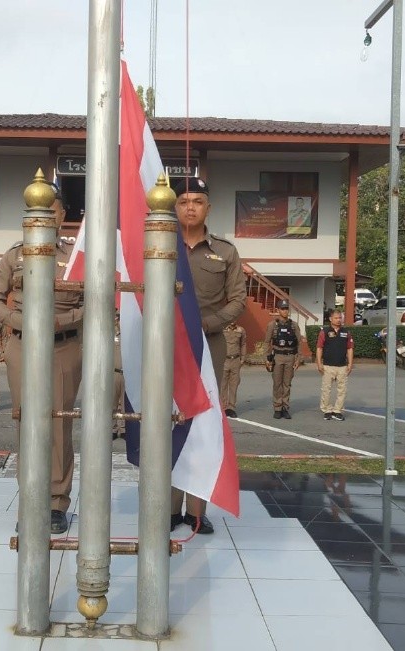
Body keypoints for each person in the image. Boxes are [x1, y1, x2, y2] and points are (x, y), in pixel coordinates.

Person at [0, 183, 83, 535]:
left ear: (62, 215)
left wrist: (61, 322)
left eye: (50, 211)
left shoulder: (77, 256)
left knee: (58, 424)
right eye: (35, 212)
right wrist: (17, 320)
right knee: (27, 422)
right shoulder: (15, 255)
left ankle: (56, 503)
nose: (43, 218)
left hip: (63, 347)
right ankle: (30, 501)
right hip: (23, 345)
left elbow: (95, 301)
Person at [171, 176, 247, 535]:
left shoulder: (225, 252)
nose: (190, 208)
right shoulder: (158, 244)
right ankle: (168, 508)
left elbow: (238, 300)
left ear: (208, 208)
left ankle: (196, 511)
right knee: (168, 421)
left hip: (207, 345)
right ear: (174, 206)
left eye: (197, 201)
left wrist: (206, 324)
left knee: (202, 422)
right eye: (184, 201)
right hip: (165, 345)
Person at [265, 299, 302, 419]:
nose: (285, 311)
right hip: (278, 357)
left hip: (290, 357)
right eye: (283, 309)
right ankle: (277, 407)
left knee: (287, 384)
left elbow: (299, 342)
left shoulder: (294, 325)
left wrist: (298, 359)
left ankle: (285, 407)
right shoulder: (272, 325)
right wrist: (267, 359)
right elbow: (267, 342)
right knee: (277, 384)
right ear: (278, 310)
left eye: (286, 309)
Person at [316, 307, 353, 421]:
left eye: (340, 318)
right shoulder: (324, 332)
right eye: (336, 318)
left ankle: (337, 410)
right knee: (326, 389)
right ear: (330, 319)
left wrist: (350, 364)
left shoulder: (346, 332)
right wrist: (319, 363)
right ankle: (327, 410)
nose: (338, 320)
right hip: (328, 366)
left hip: (342, 366)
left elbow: (350, 348)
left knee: (342, 390)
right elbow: (319, 348)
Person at [221, 321, 247, 418]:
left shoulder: (241, 330)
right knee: (223, 385)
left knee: (234, 385)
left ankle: (231, 408)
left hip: (235, 360)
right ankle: (223, 407)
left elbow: (243, 344)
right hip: (224, 359)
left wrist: (242, 358)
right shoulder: (222, 329)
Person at [112, 313, 126, 440]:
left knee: (124, 403)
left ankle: (123, 428)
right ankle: (113, 428)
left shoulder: (126, 335)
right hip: (114, 372)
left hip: (125, 373)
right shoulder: (112, 334)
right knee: (112, 402)